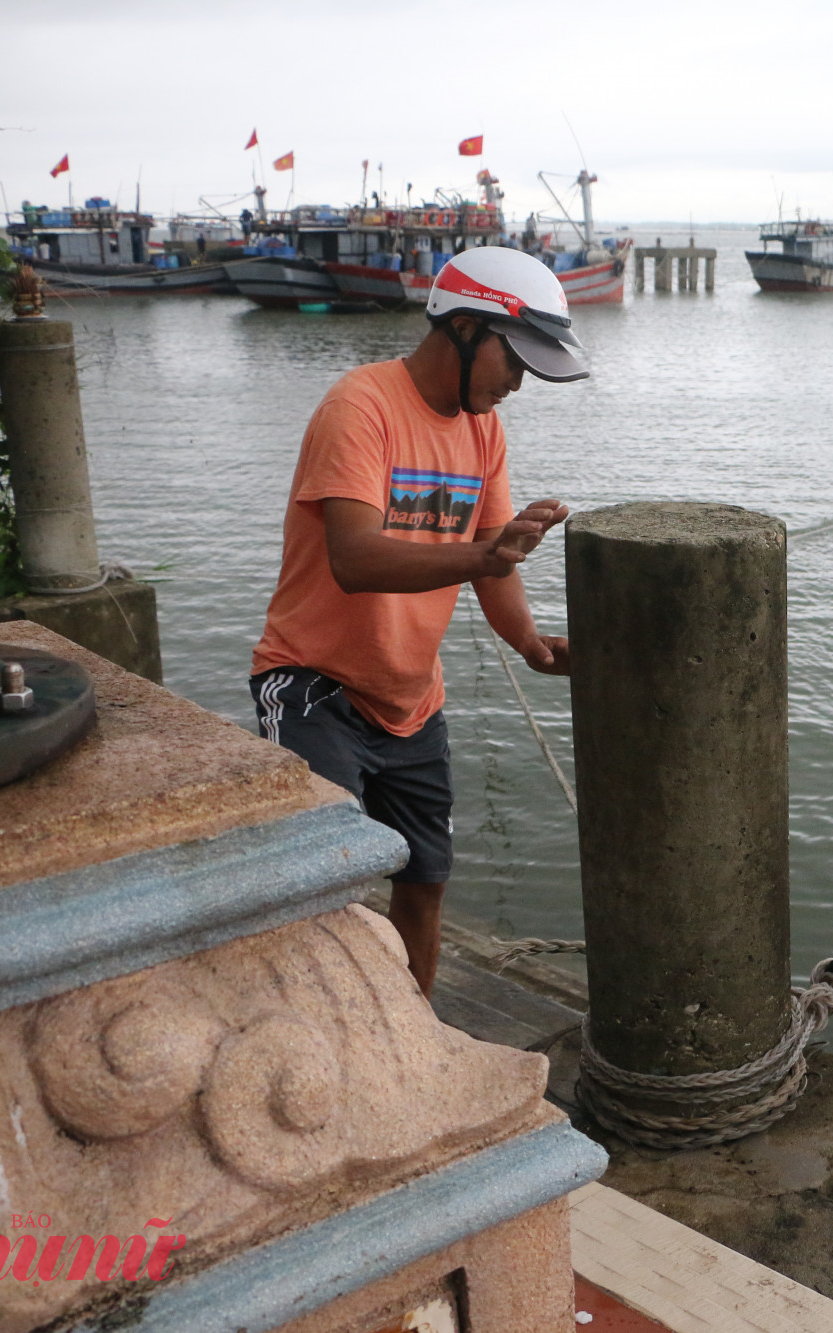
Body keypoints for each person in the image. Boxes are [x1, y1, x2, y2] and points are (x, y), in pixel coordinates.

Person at [250, 246, 589, 998]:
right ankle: (313, 1036)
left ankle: (414, 1033)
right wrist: (482, 555)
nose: (518, 383)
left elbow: (493, 558)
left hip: (411, 699)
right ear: (466, 327)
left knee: (426, 880)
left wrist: (532, 645)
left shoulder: (483, 432)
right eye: (516, 359)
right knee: (322, 880)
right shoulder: (360, 406)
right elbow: (355, 558)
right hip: (314, 684)